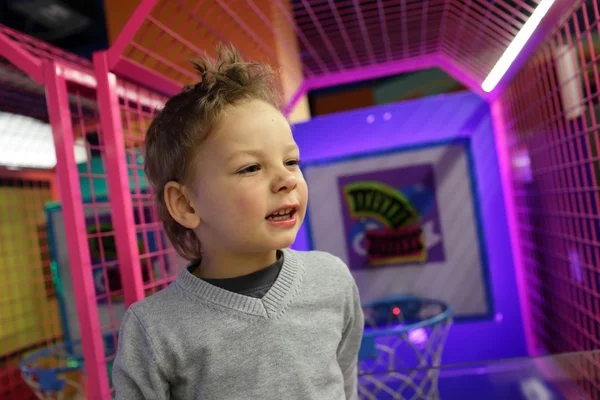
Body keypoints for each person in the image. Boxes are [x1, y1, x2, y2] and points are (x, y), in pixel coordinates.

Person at [112, 44, 364, 400]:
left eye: (291, 162)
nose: (286, 179)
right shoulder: (154, 330)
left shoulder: (332, 280)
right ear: (185, 203)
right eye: (250, 167)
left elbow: (345, 380)